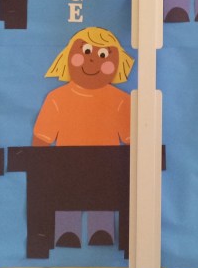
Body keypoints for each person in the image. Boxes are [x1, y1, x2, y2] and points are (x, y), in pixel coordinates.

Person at [32, 27, 134, 247]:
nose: (92, 60)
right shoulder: (56, 98)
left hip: (106, 171)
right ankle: (67, 233)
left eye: (103, 55)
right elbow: (41, 139)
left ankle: (102, 232)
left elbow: (131, 141)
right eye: (86, 51)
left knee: (103, 205)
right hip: (67, 170)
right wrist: (41, 170)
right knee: (67, 204)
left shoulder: (121, 101)